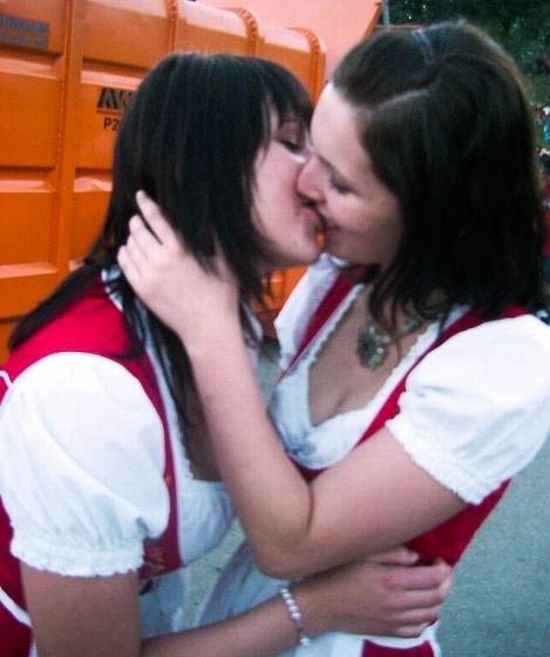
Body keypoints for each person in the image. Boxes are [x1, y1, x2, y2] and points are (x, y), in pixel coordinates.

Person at [118, 21, 550, 657]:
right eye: (312, 148)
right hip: (255, 614)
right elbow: (239, 461)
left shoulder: (503, 363)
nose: (306, 183)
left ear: (436, 214)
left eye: (343, 185)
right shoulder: (339, 276)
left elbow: (288, 542)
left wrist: (209, 326)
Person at [0, 52, 452, 657]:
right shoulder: (86, 392)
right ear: (205, 163)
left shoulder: (212, 314)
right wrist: (316, 608)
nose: (316, 178)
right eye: (295, 143)